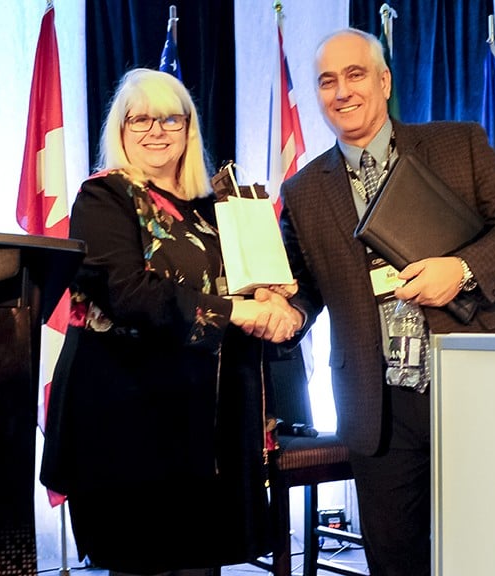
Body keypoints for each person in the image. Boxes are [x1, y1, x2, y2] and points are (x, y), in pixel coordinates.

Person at [262, 29, 495, 576]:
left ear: (385, 81)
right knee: (396, 564)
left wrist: (460, 271)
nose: (341, 91)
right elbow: (305, 288)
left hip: (473, 386)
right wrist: (285, 312)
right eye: (327, 81)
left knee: (490, 556)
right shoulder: (302, 190)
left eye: (355, 74)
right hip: (378, 410)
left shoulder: (458, 145)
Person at [40, 68, 301, 576]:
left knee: (201, 566)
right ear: (121, 129)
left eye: (170, 119)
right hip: (126, 426)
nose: (155, 130)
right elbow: (128, 295)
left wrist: (266, 295)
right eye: (140, 119)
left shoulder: (210, 208)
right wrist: (237, 311)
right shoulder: (103, 198)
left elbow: (238, 279)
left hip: (206, 430)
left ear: (188, 128)